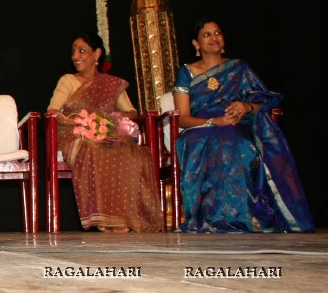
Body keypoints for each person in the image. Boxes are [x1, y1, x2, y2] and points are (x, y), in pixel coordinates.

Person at [173, 18, 313, 232]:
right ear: (196, 44)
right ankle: (209, 217)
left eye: (217, 32)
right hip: (200, 128)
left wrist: (246, 106)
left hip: (236, 125)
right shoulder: (186, 72)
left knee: (238, 143)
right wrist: (213, 122)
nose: (214, 38)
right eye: (207, 34)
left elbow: (265, 101)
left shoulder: (239, 68)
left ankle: (246, 216)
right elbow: (182, 118)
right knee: (201, 140)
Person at [47, 32, 162, 233]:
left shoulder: (111, 84)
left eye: (82, 51)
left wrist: (112, 119)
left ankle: (125, 217)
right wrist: (80, 121)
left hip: (106, 133)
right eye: (73, 52)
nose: (76, 56)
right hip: (74, 135)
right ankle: (105, 219)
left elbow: (132, 111)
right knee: (93, 148)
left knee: (133, 152)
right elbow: (52, 112)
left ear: (97, 54)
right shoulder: (67, 80)